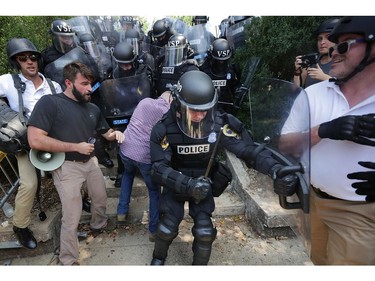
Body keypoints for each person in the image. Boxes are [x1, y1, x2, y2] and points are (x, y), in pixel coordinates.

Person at [149, 70, 298, 265]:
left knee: (205, 232)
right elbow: (158, 169)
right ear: (178, 103)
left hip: (203, 183)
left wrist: (275, 169)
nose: (200, 115)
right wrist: (188, 185)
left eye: (205, 109)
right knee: (167, 227)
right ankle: (158, 259)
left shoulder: (219, 124)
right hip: (177, 182)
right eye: (193, 109)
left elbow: (248, 150)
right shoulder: (163, 128)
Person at [279, 16, 375, 265]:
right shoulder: (313, 94)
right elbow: (285, 144)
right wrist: (322, 130)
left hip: (360, 213)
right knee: (319, 263)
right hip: (314, 202)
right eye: (331, 47)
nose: (333, 53)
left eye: (343, 46)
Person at [27, 62, 124, 265]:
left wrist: (119, 134)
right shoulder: (50, 103)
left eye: (91, 84)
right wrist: (75, 147)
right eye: (85, 84)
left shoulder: (93, 108)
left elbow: (107, 133)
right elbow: (35, 139)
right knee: (72, 216)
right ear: (69, 83)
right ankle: (68, 259)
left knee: (99, 198)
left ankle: (99, 225)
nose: (90, 89)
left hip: (91, 163)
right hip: (66, 166)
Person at [0, 38, 62, 250]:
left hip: (53, 139)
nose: (30, 61)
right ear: (16, 62)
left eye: (33, 57)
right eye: (23, 58)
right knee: (29, 184)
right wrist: (5, 116)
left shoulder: (53, 85)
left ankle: (83, 200)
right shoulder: (8, 81)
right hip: (26, 142)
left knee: (73, 170)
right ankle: (20, 226)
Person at [116, 91, 172, 241]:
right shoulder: (167, 111)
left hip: (126, 148)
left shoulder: (145, 101)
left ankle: (122, 211)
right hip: (144, 156)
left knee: (128, 174)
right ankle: (153, 230)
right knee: (154, 191)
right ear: (170, 100)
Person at [199, 38, 246, 116]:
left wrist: (238, 90)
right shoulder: (203, 71)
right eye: (219, 61)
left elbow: (233, 85)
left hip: (226, 108)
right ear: (211, 56)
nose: (221, 63)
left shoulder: (231, 70)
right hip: (207, 109)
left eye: (224, 61)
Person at [292, 18, 340, 88]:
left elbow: (346, 88)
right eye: (320, 39)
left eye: (328, 37)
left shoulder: (342, 63)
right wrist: (297, 72)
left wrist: (323, 77)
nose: (322, 42)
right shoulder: (312, 62)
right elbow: (295, 90)